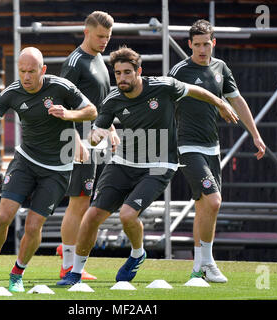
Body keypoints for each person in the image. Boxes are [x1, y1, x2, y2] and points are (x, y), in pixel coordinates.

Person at [57, 46, 239, 285]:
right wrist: (85, 142)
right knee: (91, 216)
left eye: (127, 72)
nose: (122, 78)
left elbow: (195, 90)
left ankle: (136, 253)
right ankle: (75, 273)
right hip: (122, 162)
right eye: (118, 73)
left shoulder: (163, 86)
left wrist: (221, 103)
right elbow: (97, 132)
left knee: (127, 215)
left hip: (159, 165)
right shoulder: (113, 100)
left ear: (138, 72)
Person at [0, 47, 97, 293]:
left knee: (33, 226)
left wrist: (68, 114)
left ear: (42, 70)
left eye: (32, 71)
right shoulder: (11, 93)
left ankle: (17, 274)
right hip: (25, 161)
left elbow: (92, 110)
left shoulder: (61, 87)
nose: (27, 76)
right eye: (22, 71)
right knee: (3, 217)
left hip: (57, 169)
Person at [168, 19, 266, 285]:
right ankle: (207, 263)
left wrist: (255, 135)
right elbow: (165, 104)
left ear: (214, 43)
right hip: (187, 147)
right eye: (197, 44)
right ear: (189, 45)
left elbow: (238, 101)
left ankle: (198, 269)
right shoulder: (179, 70)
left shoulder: (221, 68)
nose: (202, 49)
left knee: (205, 208)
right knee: (213, 201)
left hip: (213, 148)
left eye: (206, 44)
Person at [57, 11, 119, 281]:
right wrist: (75, 139)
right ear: (86, 32)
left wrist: (111, 128)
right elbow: (61, 104)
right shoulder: (75, 62)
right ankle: (68, 265)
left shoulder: (99, 60)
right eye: (100, 36)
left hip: (98, 141)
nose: (105, 41)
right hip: (78, 143)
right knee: (78, 203)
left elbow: (100, 103)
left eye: (108, 37)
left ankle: (67, 250)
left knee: (93, 203)